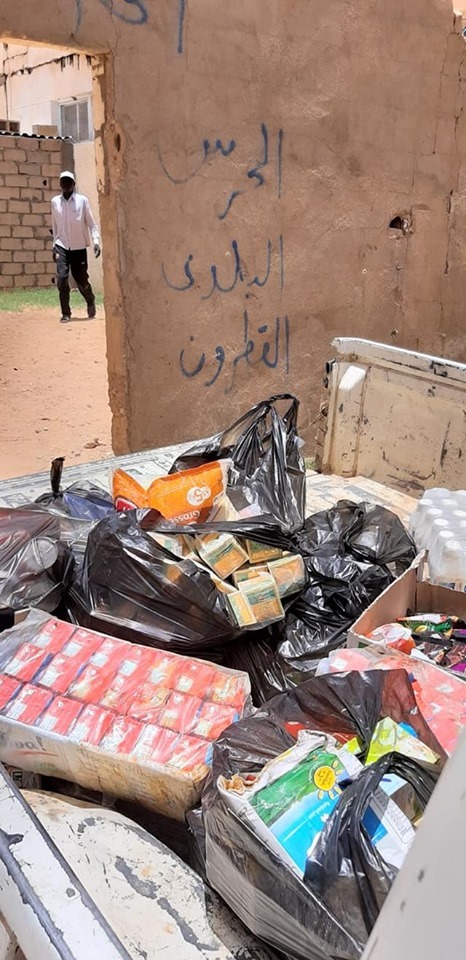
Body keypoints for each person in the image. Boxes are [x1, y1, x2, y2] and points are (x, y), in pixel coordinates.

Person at [51, 171, 101, 323]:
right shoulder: (55, 202)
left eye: (69, 181)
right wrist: (54, 245)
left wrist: (96, 242)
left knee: (81, 281)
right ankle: (66, 313)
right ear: (60, 184)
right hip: (61, 246)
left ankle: (90, 299)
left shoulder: (82, 201)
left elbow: (92, 224)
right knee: (61, 279)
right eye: (63, 181)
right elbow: (55, 225)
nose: (66, 184)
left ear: (74, 184)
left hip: (79, 247)